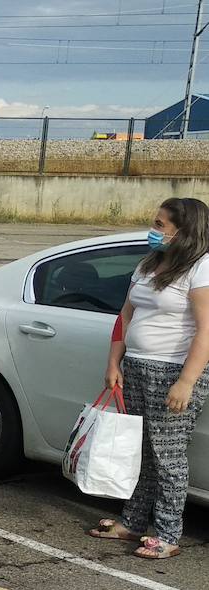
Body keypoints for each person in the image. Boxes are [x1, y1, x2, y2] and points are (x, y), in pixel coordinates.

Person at [88, 197, 209, 559]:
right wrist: (114, 363)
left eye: (160, 225)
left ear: (183, 231)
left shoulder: (200, 268)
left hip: (172, 372)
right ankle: (133, 523)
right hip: (137, 368)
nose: (153, 231)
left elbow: (206, 331)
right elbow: (124, 317)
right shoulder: (147, 265)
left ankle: (169, 535)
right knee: (142, 452)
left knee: (168, 456)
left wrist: (186, 382)